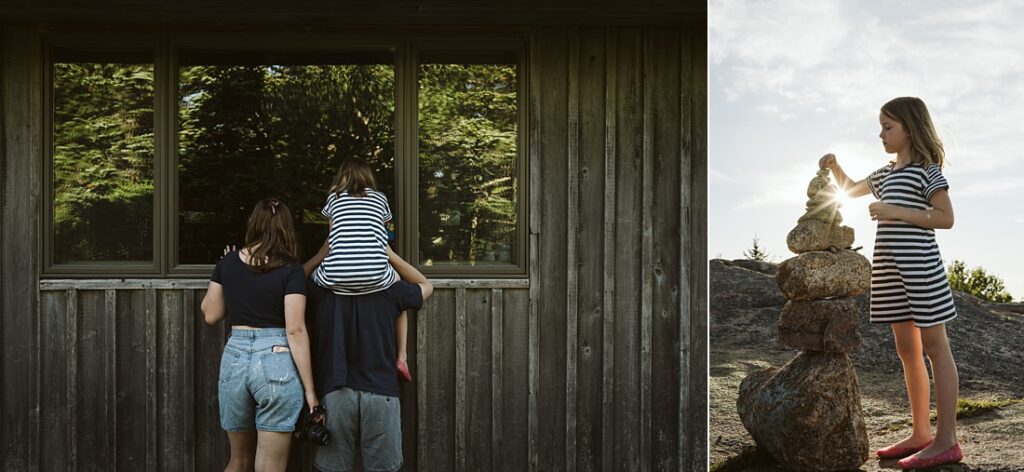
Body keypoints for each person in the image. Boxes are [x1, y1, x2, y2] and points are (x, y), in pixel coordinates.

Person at [819, 96, 961, 469]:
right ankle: (920, 434)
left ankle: (947, 441)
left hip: (921, 268)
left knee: (935, 348)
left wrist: (894, 211)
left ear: (910, 129)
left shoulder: (927, 171)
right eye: (881, 126)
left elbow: (946, 218)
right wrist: (835, 167)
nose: (880, 134)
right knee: (907, 351)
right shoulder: (885, 173)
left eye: (887, 127)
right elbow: (849, 188)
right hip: (890, 270)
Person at [201, 198, 322, 472]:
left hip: (235, 358)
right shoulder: (291, 269)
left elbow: (210, 314)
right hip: (276, 358)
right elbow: (295, 329)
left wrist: (222, 270)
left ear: (253, 224)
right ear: (287, 228)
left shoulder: (229, 262)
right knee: (270, 465)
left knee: (238, 460)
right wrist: (311, 392)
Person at [306, 245, 433, 472]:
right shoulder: (390, 290)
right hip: (381, 389)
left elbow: (294, 280)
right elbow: (426, 285)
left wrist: (322, 252)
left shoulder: (322, 291)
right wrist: (390, 254)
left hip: (335, 390)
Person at [304, 157, 413, 382]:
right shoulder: (380, 198)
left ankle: (311, 351)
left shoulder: (333, 199)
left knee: (306, 289)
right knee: (402, 295)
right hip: (376, 275)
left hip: (334, 276)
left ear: (342, 177)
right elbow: (384, 235)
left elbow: (332, 238)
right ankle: (401, 356)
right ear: (368, 178)